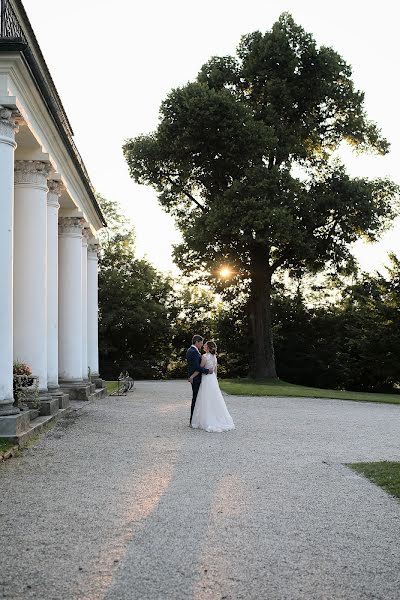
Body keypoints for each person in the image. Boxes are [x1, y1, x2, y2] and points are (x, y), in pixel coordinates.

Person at [190, 340, 235, 433]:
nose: (203, 346)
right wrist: (215, 380)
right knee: (215, 399)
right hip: (213, 379)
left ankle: (206, 420)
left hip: (206, 379)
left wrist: (192, 376)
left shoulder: (204, 357)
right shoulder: (214, 357)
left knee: (206, 398)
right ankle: (217, 418)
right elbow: (215, 371)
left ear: (208, 347)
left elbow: (200, 369)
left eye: (205, 345)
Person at [186, 334, 213, 425]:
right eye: (201, 343)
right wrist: (207, 370)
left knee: (197, 399)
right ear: (197, 342)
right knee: (196, 399)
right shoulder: (193, 351)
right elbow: (196, 366)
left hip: (196, 377)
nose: (202, 345)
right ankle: (192, 421)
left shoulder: (192, 350)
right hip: (196, 379)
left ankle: (194, 420)